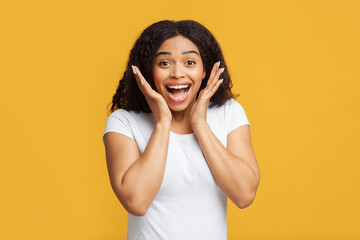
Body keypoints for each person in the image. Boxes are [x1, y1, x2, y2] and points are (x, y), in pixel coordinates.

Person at [102, 20, 260, 240]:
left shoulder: (229, 113)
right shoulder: (124, 122)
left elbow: (244, 195)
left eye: (189, 62)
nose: (177, 73)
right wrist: (162, 123)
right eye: (165, 63)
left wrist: (200, 125)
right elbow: (136, 202)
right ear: (149, 70)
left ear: (205, 70)